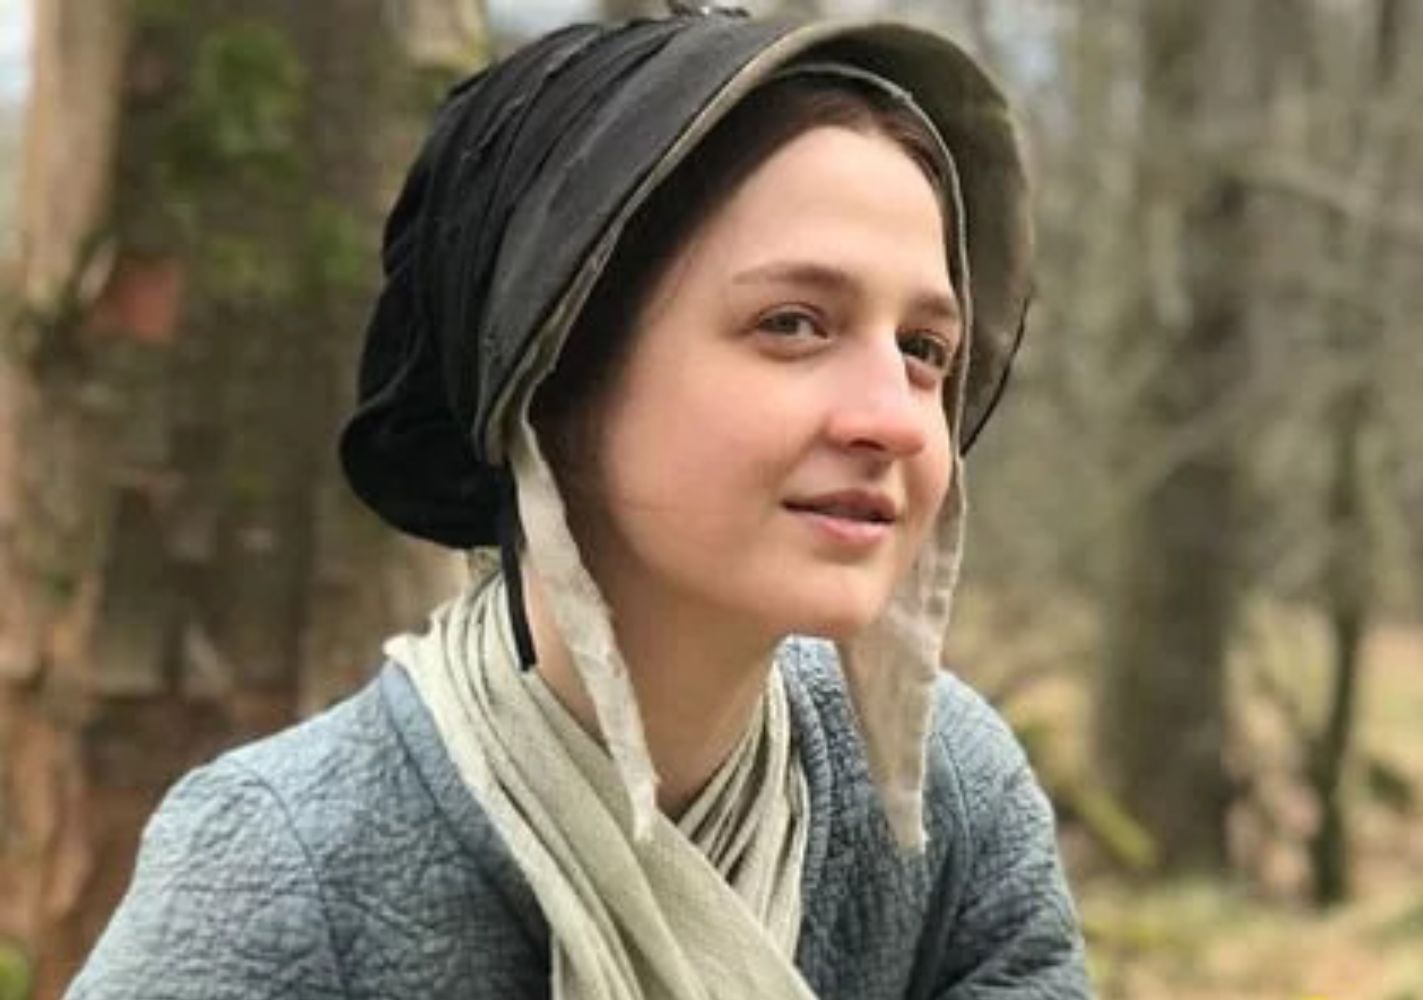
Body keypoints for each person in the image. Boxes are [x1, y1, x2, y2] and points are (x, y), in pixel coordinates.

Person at [67, 7, 1088, 998]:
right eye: (792, 323)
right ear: (555, 379)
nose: (898, 421)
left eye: (922, 351)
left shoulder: (943, 801)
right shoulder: (280, 874)